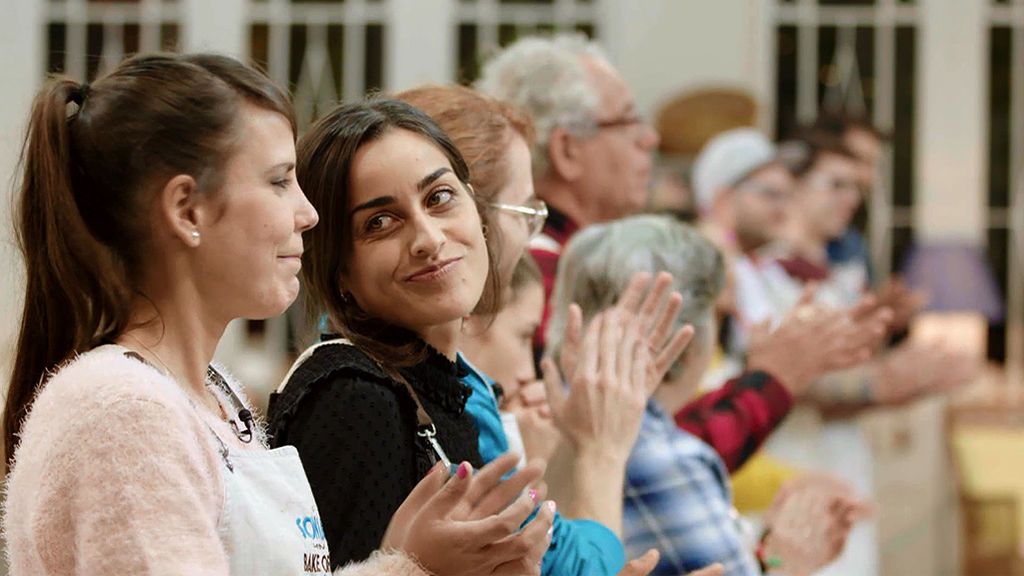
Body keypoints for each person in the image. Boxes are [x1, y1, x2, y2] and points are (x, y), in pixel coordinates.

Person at [3, 53, 551, 576]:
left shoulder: (213, 397)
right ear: (186, 210)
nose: (308, 214)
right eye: (279, 180)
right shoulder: (123, 412)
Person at [478, 34, 890, 475]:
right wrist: (774, 377)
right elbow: (631, 462)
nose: (651, 140)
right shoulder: (540, 276)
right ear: (567, 150)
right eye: (629, 121)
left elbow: (650, 434)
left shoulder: (578, 260)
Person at [546, 215, 867, 576]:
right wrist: (787, 562)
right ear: (686, 329)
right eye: (722, 312)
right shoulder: (660, 453)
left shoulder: (553, 407)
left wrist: (766, 555)